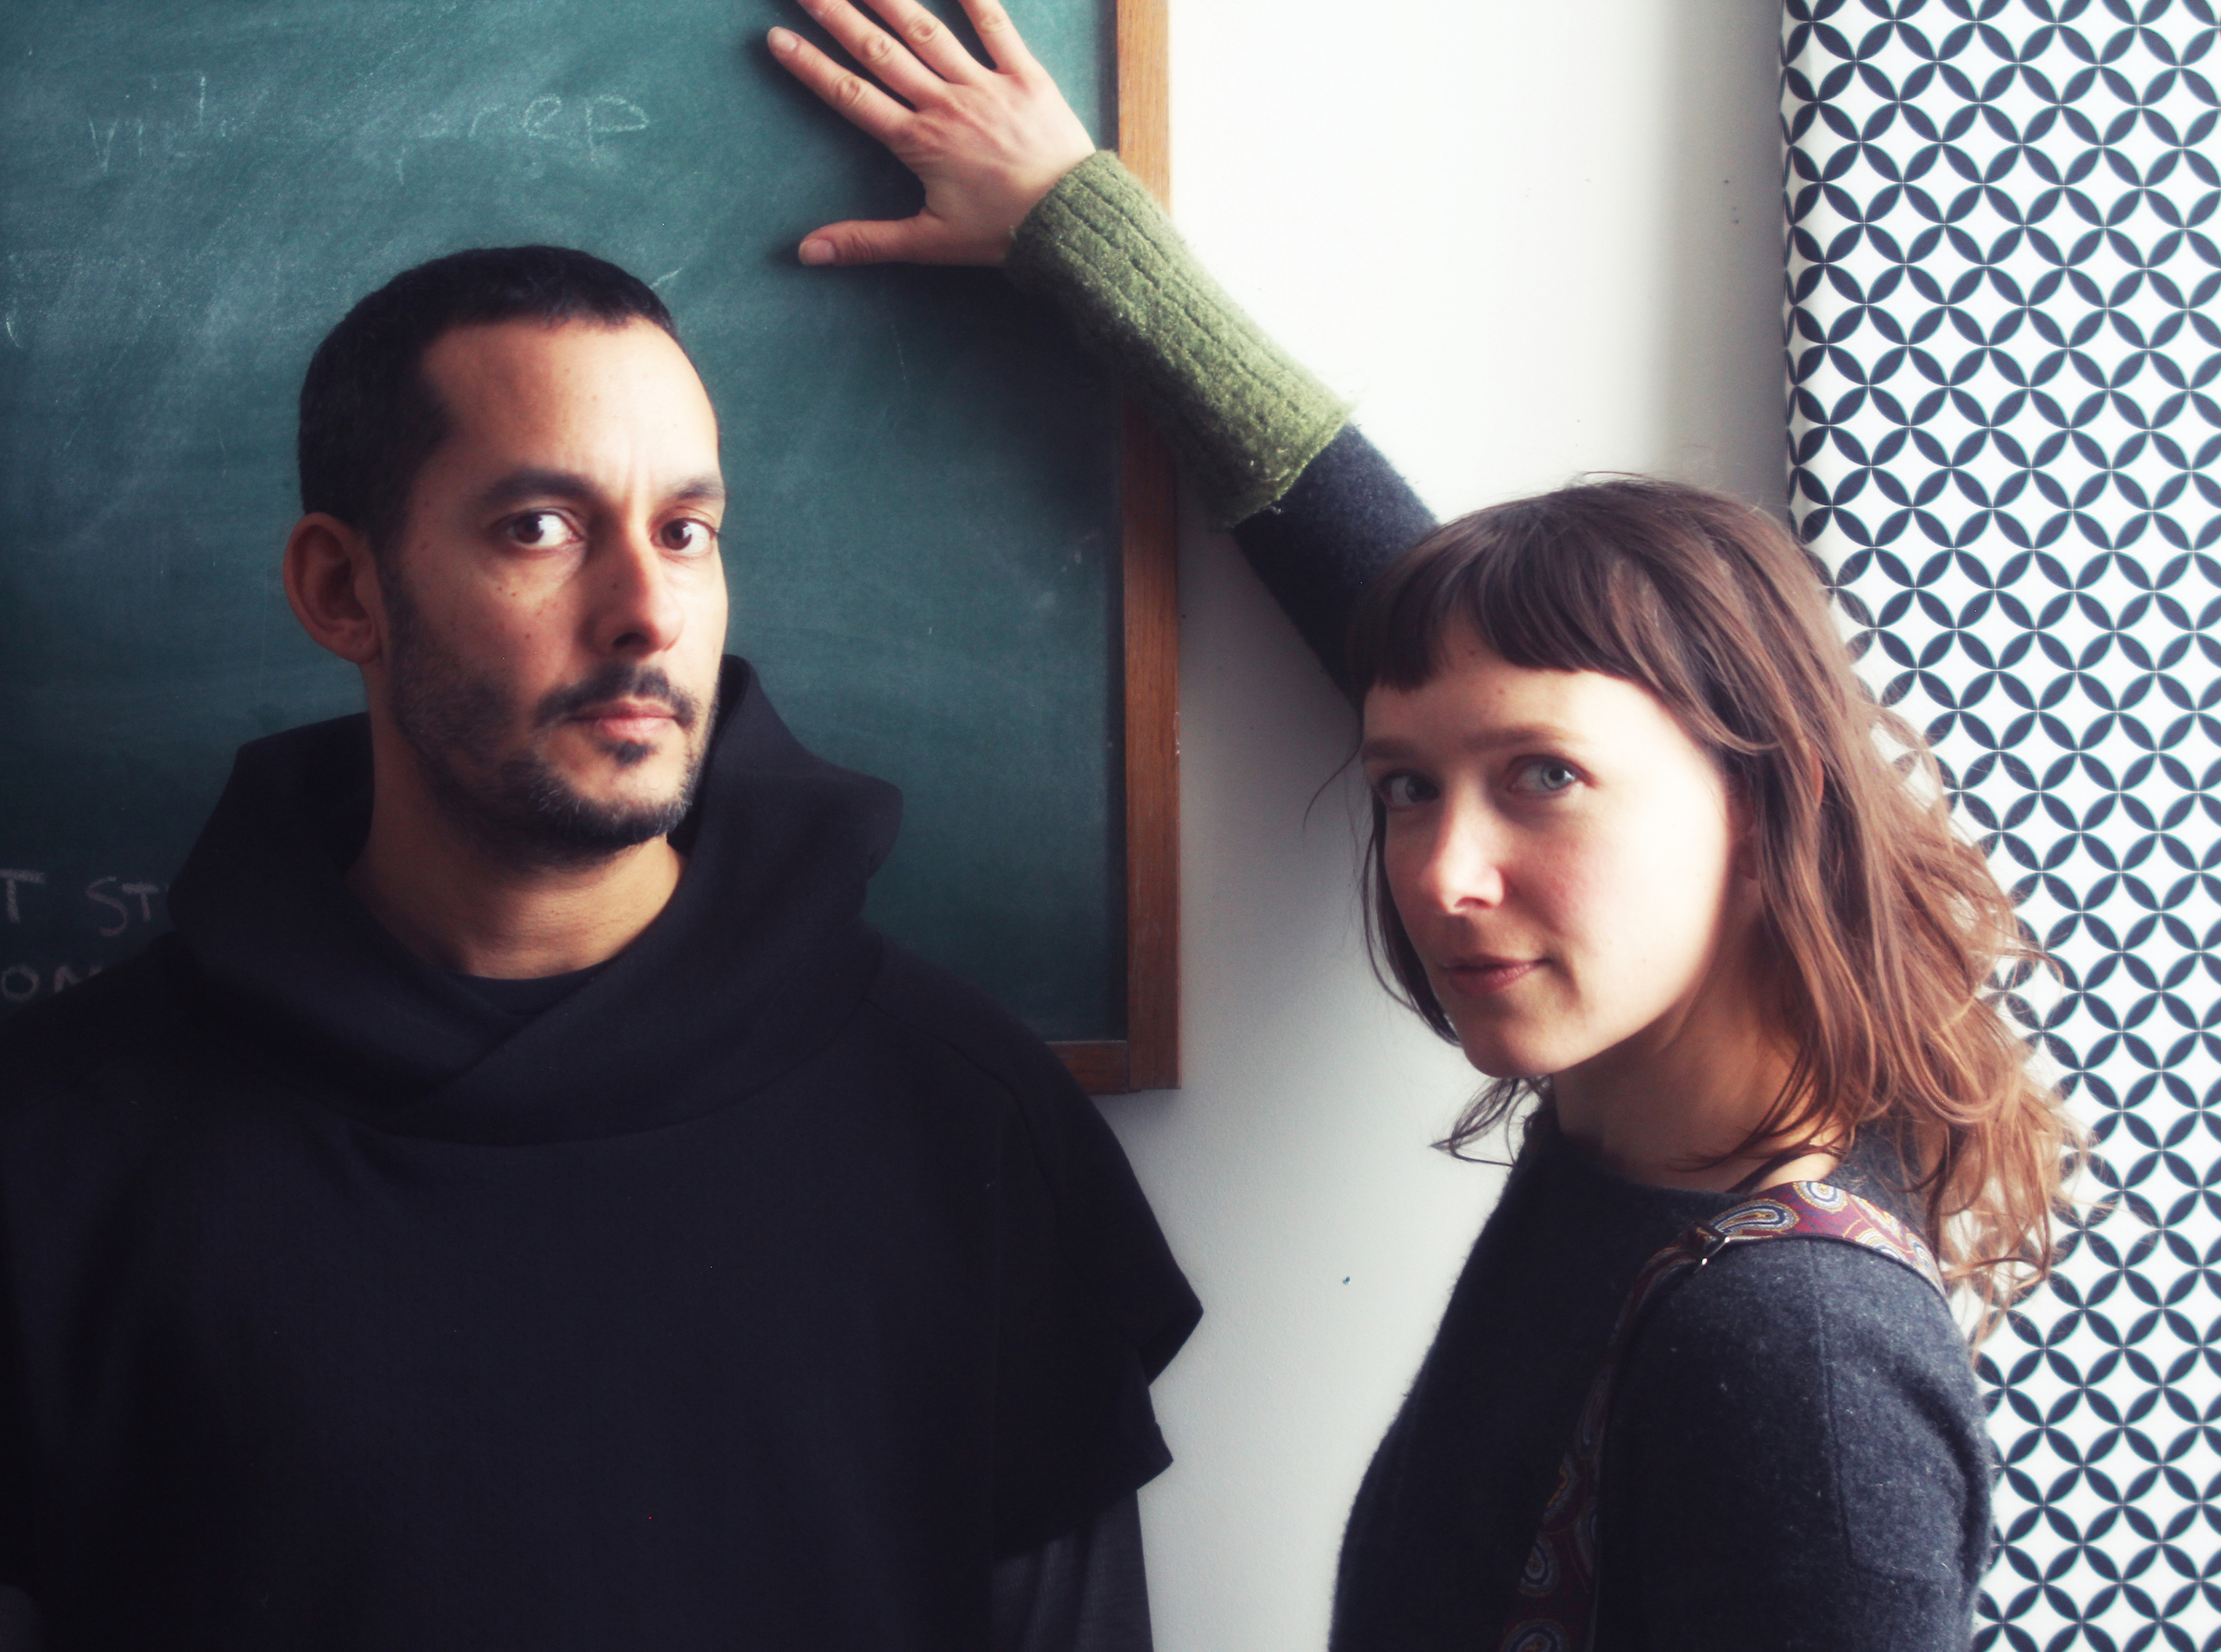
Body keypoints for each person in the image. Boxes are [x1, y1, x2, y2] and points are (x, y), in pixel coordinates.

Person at [768, 0, 2081, 1646]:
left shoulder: (1795, 1366)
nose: (1442, 875)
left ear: (1766, 798)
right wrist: (1076, 226)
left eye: (1544, 779)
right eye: (1405, 788)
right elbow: (1404, 602)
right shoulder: (1650, 1122)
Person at [0, 249, 1199, 1647]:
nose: (647, 612)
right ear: (342, 588)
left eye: (685, 530)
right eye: (542, 527)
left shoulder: (963, 1115)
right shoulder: (48, 1145)